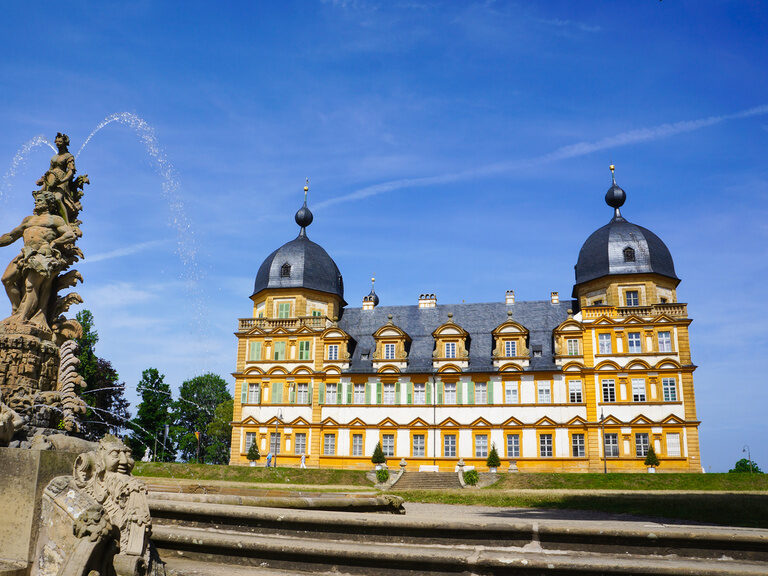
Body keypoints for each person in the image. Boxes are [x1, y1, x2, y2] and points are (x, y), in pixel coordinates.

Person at [0, 190, 76, 329]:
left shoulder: (54, 219)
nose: (36, 202)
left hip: (42, 255)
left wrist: (54, 243)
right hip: (26, 254)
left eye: (39, 200)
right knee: (6, 279)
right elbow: (11, 236)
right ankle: (16, 311)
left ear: (48, 203)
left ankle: (23, 318)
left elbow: (70, 235)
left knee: (31, 286)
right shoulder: (28, 220)